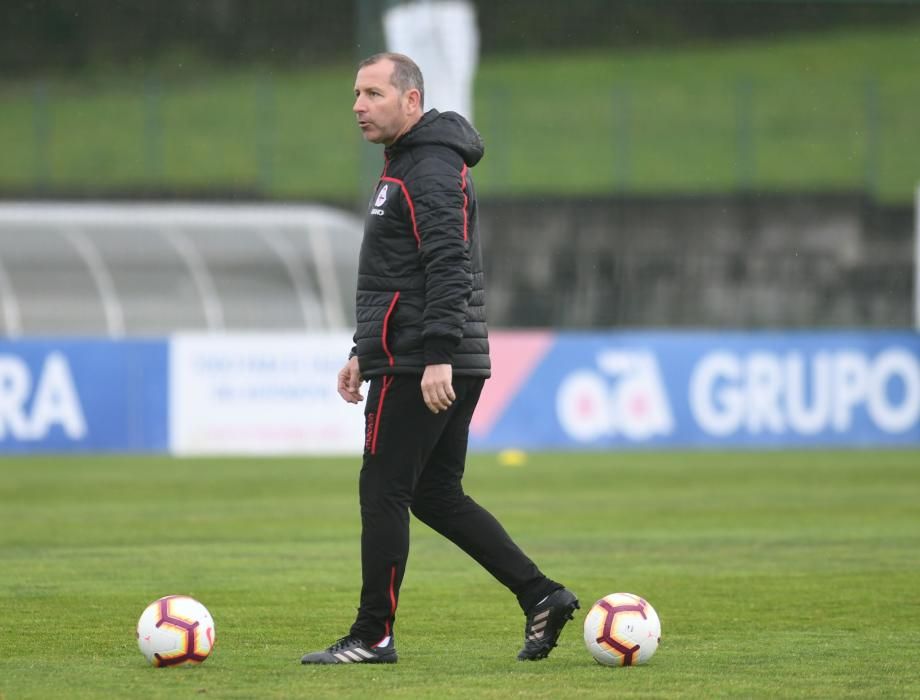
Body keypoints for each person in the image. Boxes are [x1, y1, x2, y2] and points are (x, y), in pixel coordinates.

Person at [301, 53, 577, 666]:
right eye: (356, 93)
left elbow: (447, 264)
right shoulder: (408, 164)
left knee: (384, 490)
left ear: (412, 100)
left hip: (422, 360)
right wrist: (359, 351)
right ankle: (542, 595)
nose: (358, 106)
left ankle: (372, 635)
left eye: (373, 93)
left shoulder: (427, 167)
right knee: (434, 494)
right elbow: (394, 275)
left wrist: (436, 357)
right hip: (415, 353)